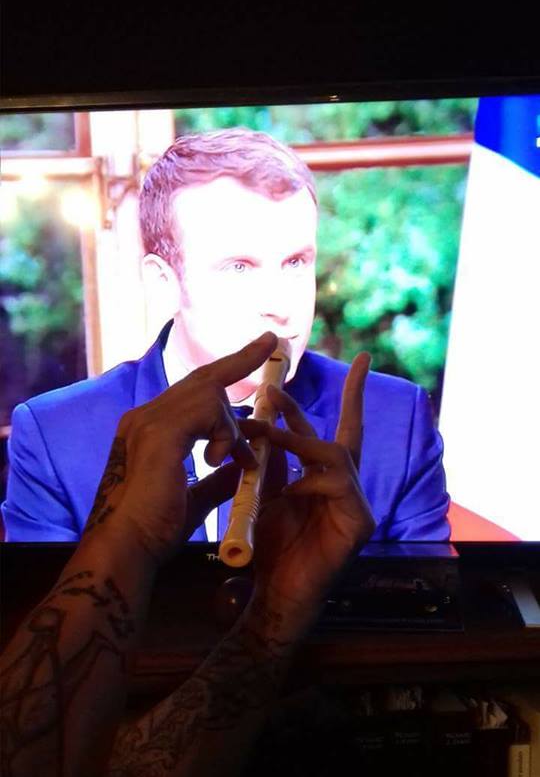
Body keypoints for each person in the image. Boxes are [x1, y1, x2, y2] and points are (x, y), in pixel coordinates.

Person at [0, 333, 375, 777]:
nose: (277, 305)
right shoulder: (54, 423)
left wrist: (276, 609)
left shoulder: (397, 409)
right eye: (238, 279)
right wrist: (127, 539)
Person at [1, 127, 449, 544]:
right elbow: (48, 605)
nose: (280, 304)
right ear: (164, 282)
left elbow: (430, 601)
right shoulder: (56, 437)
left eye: (295, 262)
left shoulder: (397, 421)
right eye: (239, 267)